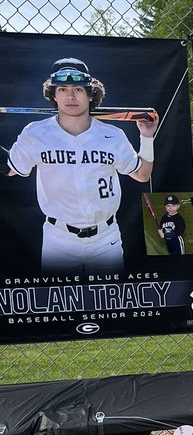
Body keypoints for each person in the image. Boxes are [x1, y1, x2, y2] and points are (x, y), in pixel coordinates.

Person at [6, 57, 158, 274]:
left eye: (78, 88)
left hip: (106, 239)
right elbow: (10, 168)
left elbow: (143, 175)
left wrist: (147, 138)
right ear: (53, 94)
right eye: (62, 89)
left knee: (109, 304)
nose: (70, 96)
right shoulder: (36, 133)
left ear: (90, 94)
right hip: (57, 240)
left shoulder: (112, 135)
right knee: (61, 305)